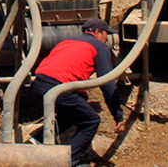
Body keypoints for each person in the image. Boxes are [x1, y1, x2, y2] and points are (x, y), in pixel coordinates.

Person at [33, 18, 126, 166]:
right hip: (59, 88)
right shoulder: (99, 47)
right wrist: (118, 116)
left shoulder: (66, 42)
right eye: (106, 34)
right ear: (98, 32)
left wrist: (78, 92)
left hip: (39, 85)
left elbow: (66, 67)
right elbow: (107, 83)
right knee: (91, 120)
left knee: (70, 115)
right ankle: (67, 160)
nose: (107, 38)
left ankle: (35, 142)